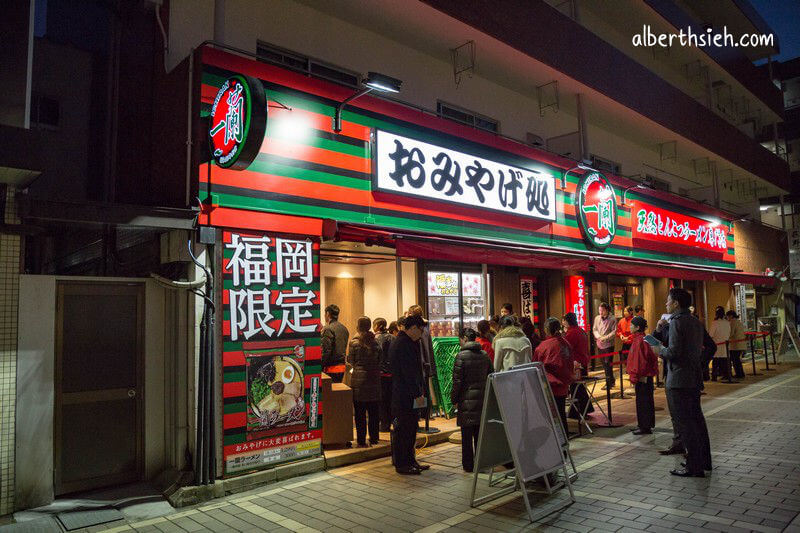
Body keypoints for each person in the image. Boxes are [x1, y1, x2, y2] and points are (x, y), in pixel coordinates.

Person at [651, 287, 712, 477]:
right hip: (693, 379)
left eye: (668, 301)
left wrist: (658, 349)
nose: (666, 304)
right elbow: (708, 347)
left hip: (678, 381)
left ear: (676, 303)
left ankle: (694, 467)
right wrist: (699, 364)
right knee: (697, 421)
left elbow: (674, 352)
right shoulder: (695, 321)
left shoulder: (677, 322)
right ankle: (703, 461)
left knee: (685, 424)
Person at [388, 314, 429, 475]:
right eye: (420, 330)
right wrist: (417, 393)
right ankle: (403, 464)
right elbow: (408, 373)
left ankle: (411, 460)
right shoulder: (402, 344)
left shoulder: (408, 342)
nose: (421, 334)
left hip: (407, 394)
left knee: (411, 428)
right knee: (403, 430)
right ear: (412, 328)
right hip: (404, 396)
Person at [450, 328, 492, 472]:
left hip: (466, 402)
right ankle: (481, 463)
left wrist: (453, 399)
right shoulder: (485, 355)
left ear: (465, 339)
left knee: (466, 436)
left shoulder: (461, 356)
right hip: (482, 400)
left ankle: (468, 465)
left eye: (460, 340)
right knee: (479, 436)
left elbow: (457, 381)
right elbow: (491, 376)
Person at [533, 317, 574, 435]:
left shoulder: (544, 346)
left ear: (546, 329)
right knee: (561, 414)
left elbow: (536, 365)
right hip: (564, 384)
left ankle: (557, 443)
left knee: (550, 416)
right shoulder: (566, 343)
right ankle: (564, 441)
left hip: (550, 386)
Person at [348, 317, 382, 447]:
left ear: (358, 326)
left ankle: (361, 440)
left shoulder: (354, 342)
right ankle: (374, 438)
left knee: (360, 413)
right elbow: (380, 359)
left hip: (359, 382)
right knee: (374, 412)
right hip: (374, 380)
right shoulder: (375, 341)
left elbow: (351, 360)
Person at [626, 316, 658, 435]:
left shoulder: (639, 340)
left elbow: (639, 361)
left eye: (632, 325)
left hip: (643, 376)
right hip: (645, 375)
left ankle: (645, 426)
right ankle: (644, 425)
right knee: (645, 401)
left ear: (637, 327)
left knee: (643, 402)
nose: (630, 327)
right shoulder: (644, 339)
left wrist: (634, 376)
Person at [563, 312, 594, 420]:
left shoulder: (571, 333)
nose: (563, 323)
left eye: (563, 321)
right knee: (579, 387)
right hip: (583, 362)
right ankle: (585, 409)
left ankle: (578, 411)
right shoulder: (580, 331)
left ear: (567, 321)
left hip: (576, 365)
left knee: (576, 387)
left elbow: (566, 349)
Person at [374, 318, 395, 432]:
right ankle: (391, 422)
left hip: (381, 374)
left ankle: (384, 425)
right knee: (390, 399)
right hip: (392, 374)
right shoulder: (393, 337)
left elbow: (377, 356)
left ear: (378, 326)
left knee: (381, 401)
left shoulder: (376, 338)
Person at [321, 304, 349, 382]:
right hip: (342, 367)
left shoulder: (327, 329)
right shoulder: (344, 329)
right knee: (337, 391)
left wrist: (320, 366)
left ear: (327, 314)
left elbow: (326, 350)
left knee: (329, 392)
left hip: (330, 368)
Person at [592, 302, 617, 390]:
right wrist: (598, 337)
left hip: (609, 344)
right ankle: (612, 380)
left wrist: (605, 338)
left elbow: (614, 331)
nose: (600, 312)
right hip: (599, 343)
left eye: (602, 310)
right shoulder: (597, 318)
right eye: (599, 310)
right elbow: (594, 329)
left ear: (607, 310)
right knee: (604, 364)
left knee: (608, 363)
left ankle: (608, 383)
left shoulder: (613, 318)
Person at [708, 306, 731, 381]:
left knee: (715, 362)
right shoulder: (727, 323)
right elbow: (729, 333)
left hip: (717, 344)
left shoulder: (715, 323)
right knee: (725, 361)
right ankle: (727, 375)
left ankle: (714, 377)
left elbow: (711, 334)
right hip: (725, 345)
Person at [726, 310, 746, 379]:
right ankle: (741, 373)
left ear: (731, 316)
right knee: (737, 360)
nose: (727, 318)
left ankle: (739, 374)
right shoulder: (738, 321)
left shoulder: (732, 322)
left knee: (735, 360)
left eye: (728, 316)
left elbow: (731, 333)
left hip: (735, 345)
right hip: (740, 344)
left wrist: (726, 337)